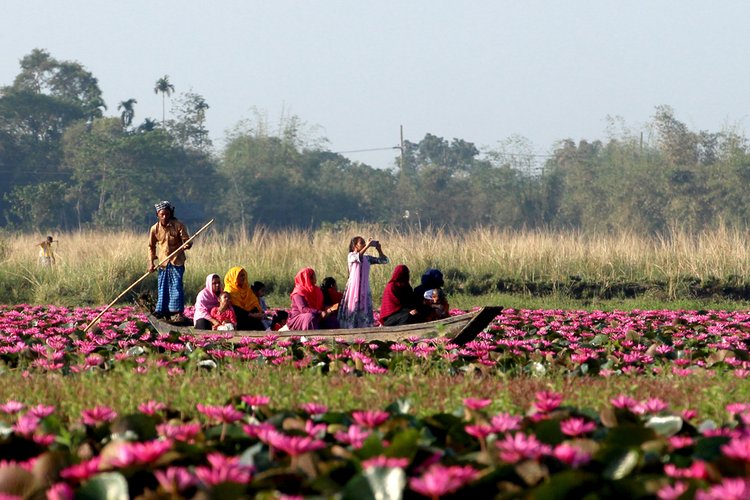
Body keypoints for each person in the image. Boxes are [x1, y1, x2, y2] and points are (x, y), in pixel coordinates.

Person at [148, 201, 191, 322]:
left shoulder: (178, 225)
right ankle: (162, 312)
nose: (165, 217)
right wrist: (151, 262)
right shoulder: (154, 229)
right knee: (163, 287)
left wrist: (186, 245)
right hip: (163, 263)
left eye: (167, 214)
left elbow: (187, 240)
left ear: (170, 213)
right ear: (158, 215)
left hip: (177, 261)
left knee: (176, 286)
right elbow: (151, 246)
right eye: (162, 214)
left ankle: (178, 313)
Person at [338, 236, 389, 329]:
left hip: (364, 289)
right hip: (353, 289)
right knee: (353, 309)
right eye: (362, 243)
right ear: (355, 246)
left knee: (364, 310)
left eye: (365, 243)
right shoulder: (351, 256)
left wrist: (379, 249)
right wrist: (368, 246)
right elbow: (358, 257)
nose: (365, 244)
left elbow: (385, 260)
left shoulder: (367, 258)